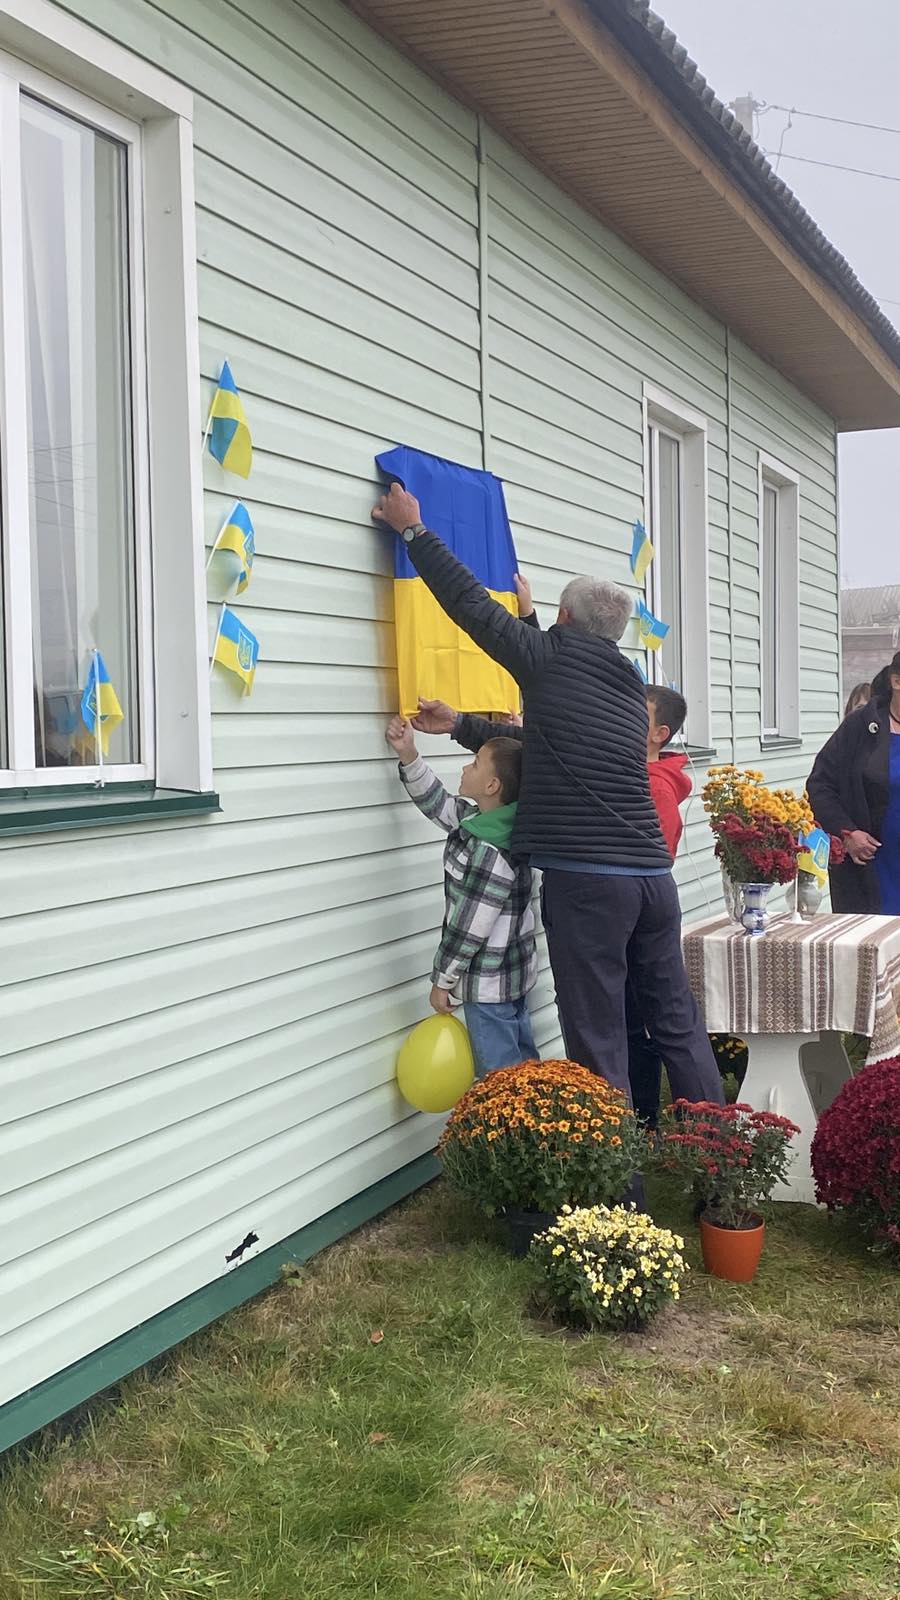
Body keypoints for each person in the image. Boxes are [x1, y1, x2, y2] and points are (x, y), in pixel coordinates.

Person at [373, 483, 723, 1107]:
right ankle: (725, 1176)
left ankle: (616, 1199)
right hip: (652, 880)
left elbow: (470, 606)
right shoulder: (625, 683)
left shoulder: (550, 659)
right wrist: (462, 726)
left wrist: (413, 530)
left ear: (562, 621)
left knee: (598, 1039)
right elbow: (547, 745)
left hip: (592, 887)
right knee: (677, 1025)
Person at [385, 713, 538, 1077]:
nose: (465, 768)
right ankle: (537, 1128)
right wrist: (409, 754)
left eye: (474, 764)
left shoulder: (490, 849)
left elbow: (468, 927)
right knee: (524, 1073)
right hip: (512, 980)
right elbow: (440, 805)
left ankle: (511, 1131)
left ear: (492, 786)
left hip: (487, 988)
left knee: (500, 1082)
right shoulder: (490, 825)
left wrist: (442, 981)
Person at [807, 653, 900, 913]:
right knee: (873, 946)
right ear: (896, 681)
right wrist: (847, 832)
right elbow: (820, 785)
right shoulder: (859, 727)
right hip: (873, 867)